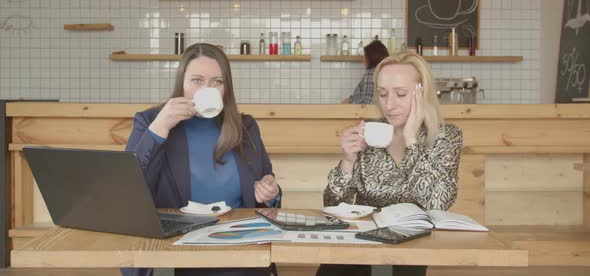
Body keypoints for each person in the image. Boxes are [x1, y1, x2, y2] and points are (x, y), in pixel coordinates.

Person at [122, 43, 280, 276]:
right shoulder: (151, 121)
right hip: (176, 251)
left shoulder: (245, 126)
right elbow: (129, 188)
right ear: (181, 83)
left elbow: (268, 185)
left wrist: (270, 194)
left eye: (217, 81)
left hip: (238, 247)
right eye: (197, 80)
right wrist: (160, 128)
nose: (208, 88)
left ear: (226, 88)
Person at [318, 51, 463, 276]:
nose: (389, 105)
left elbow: (437, 202)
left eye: (401, 94)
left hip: (410, 252)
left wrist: (411, 140)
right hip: (358, 251)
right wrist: (347, 161)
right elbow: (334, 210)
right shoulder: (370, 134)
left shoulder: (445, 137)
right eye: (383, 94)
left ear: (421, 93)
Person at [341, 40, 389, 104]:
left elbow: (367, 101)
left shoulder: (371, 73)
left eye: (365, 56)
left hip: (367, 113)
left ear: (371, 57)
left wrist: (350, 102)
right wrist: (350, 99)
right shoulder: (386, 72)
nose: (364, 59)